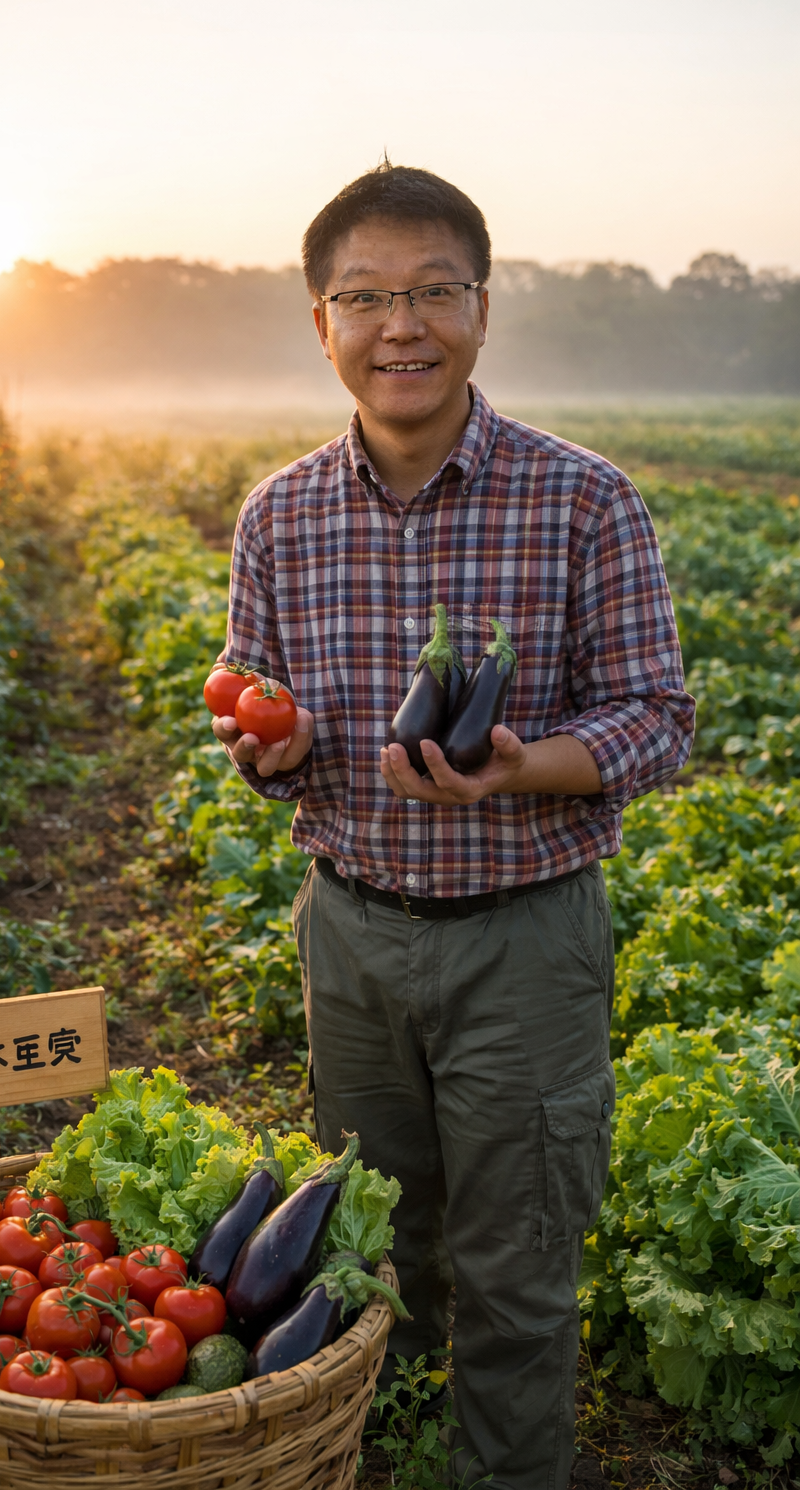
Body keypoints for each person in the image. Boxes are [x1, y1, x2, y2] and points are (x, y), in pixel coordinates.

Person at [211, 162, 694, 1490]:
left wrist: (531, 763)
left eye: (434, 290)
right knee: (372, 1251)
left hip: (524, 947)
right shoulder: (282, 516)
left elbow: (660, 716)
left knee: (521, 1268)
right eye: (365, 297)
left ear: (484, 309)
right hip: (353, 940)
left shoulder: (581, 500)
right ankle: (381, 1455)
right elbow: (258, 712)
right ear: (323, 325)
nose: (401, 326)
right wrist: (278, 746)